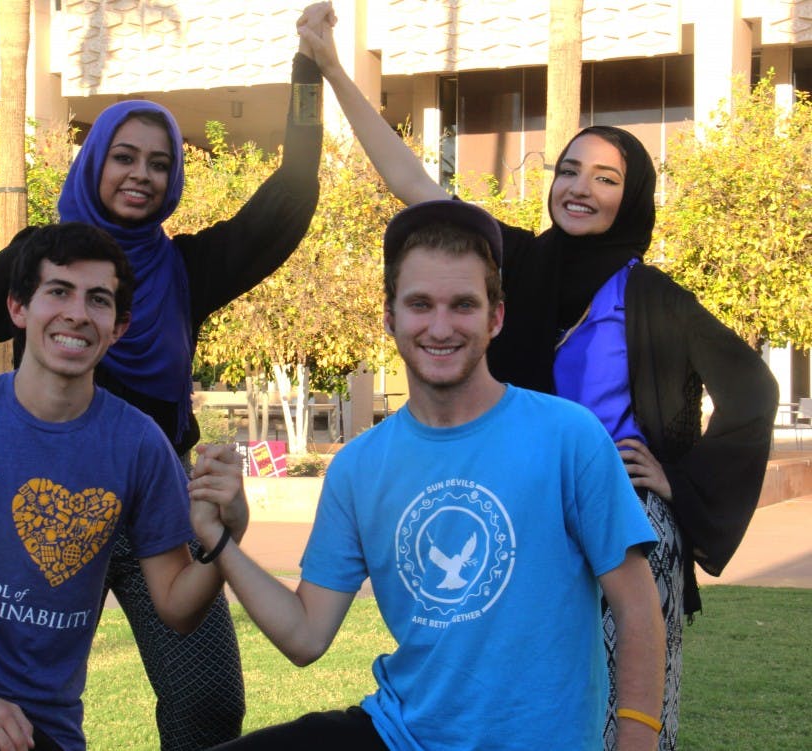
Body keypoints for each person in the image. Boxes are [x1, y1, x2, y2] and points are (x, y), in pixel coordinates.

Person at [297, 12, 778, 748]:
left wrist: (682, 477)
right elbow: (410, 180)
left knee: (633, 717)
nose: (579, 187)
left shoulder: (652, 297)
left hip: (625, 522)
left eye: (606, 177)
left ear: (634, 195)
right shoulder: (512, 263)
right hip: (522, 512)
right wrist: (333, 68)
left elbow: (753, 387)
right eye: (568, 170)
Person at [0, 5, 333, 748]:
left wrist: (307, 69)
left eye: (159, 163)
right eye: (124, 155)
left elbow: (290, 198)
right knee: (7, 706)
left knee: (208, 705)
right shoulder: (47, 256)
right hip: (36, 494)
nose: (141, 173)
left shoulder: (187, 270)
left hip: (152, 505)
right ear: (94, 160)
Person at [189, 199, 666, 751]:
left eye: (463, 304)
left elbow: (636, 606)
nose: (441, 327)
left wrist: (637, 739)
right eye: (420, 304)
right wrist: (221, 540)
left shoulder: (569, 436)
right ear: (390, 317)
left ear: (496, 317)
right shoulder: (359, 467)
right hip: (400, 734)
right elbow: (304, 634)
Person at [0, 222, 249, 751]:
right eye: (58, 292)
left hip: (47, 725)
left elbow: (177, 609)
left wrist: (225, 539)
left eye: (98, 300)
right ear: (19, 309)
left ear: (119, 326)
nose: (76, 314)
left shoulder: (139, 445)